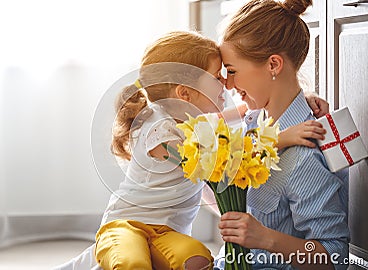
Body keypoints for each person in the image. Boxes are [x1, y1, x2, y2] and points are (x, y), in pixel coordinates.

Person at [95, 30, 329, 270]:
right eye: (217, 77)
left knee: (198, 259)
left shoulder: (190, 118)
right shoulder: (159, 132)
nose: (226, 83)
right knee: (132, 263)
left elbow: (247, 110)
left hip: (167, 233)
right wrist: (281, 138)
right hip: (126, 225)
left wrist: (301, 98)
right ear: (184, 94)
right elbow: (221, 159)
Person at [217, 0, 349, 269]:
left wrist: (267, 239)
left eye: (231, 71)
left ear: (273, 65)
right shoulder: (253, 121)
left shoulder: (302, 156)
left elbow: (335, 256)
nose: (228, 84)